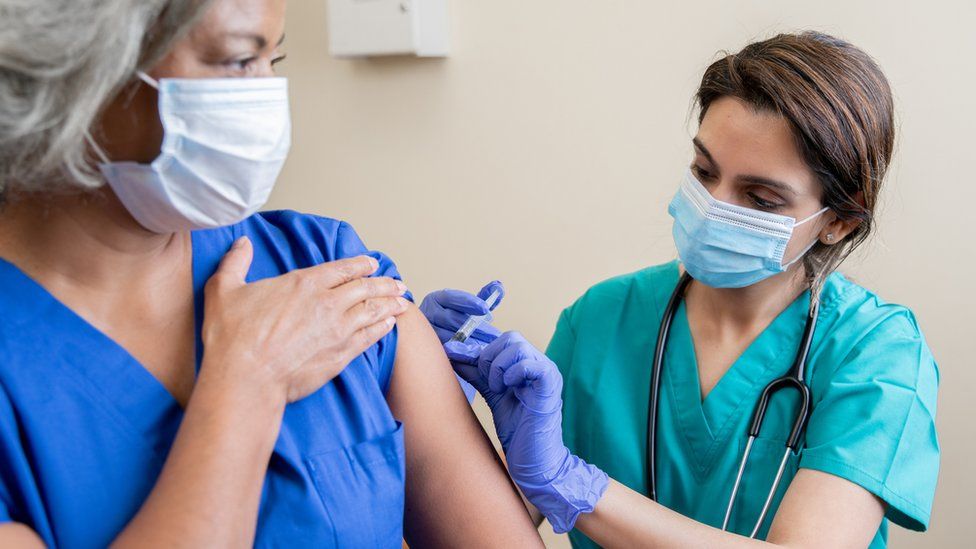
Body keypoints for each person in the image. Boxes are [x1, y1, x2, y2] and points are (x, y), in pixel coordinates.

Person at [0, 0, 543, 547]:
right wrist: (245, 384)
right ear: (75, 64)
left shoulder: (321, 263)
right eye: (239, 62)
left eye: (272, 61)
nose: (266, 100)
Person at [422, 32, 940, 548]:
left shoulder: (879, 354)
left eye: (760, 199)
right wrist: (430, 399)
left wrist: (571, 483)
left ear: (840, 222)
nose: (714, 205)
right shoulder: (602, 318)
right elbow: (486, 529)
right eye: (704, 171)